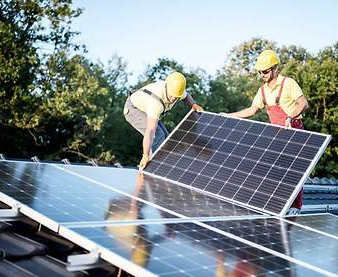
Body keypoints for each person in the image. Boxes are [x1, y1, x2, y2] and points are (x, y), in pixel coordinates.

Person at [221, 50, 308, 215]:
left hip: (294, 130)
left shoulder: (288, 83)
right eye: (260, 71)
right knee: (273, 170)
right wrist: (228, 116)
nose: (263, 74)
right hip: (276, 133)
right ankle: (278, 204)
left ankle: (295, 207)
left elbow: (303, 103)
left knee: (294, 171)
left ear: (275, 68)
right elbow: (252, 110)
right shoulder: (262, 91)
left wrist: (291, 116)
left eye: (266, 71)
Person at [123, 72, 203, 170]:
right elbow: (150, 132)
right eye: (172, 95)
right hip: (134, 110)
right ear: (167, 88)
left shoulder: (176, 91)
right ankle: (155, 167)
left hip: (145, 108)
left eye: (177, 97)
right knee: (158, 135)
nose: (174, 99)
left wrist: (193, 105)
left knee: (167, 138)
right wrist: (145, 155)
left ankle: (163, 164)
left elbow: (186, 96)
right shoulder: (155, 103)